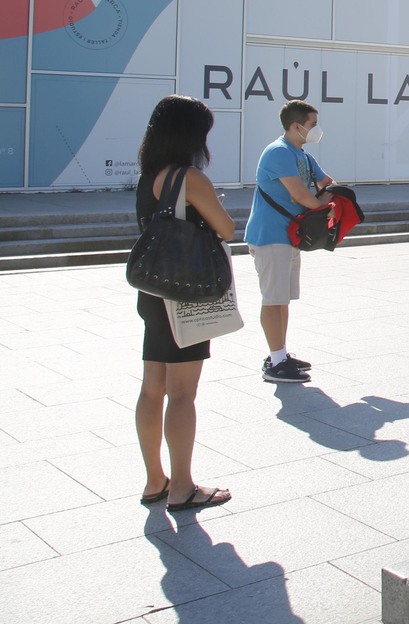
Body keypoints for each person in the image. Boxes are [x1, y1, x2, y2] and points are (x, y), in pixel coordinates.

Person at [133, 95, 235, 514]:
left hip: (152, 291)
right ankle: (183, 486)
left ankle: (155, 480)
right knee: (182, 395)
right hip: (185, 296)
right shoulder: (190, 178)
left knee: (152, 387)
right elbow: (225, 228)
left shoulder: (148, 175)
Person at [245, 100, 335, 385]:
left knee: (282, 299)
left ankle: (280, 355)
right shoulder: (279, 153)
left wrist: (333, 196)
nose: (316, 129)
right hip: (271, 235)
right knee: (273, 300)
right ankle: (275, 361)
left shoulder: (302, 155)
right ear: (295, 126)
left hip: (289, 235)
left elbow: (327, 183)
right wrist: (326, 204)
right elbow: (301, 195)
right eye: (312, 125)